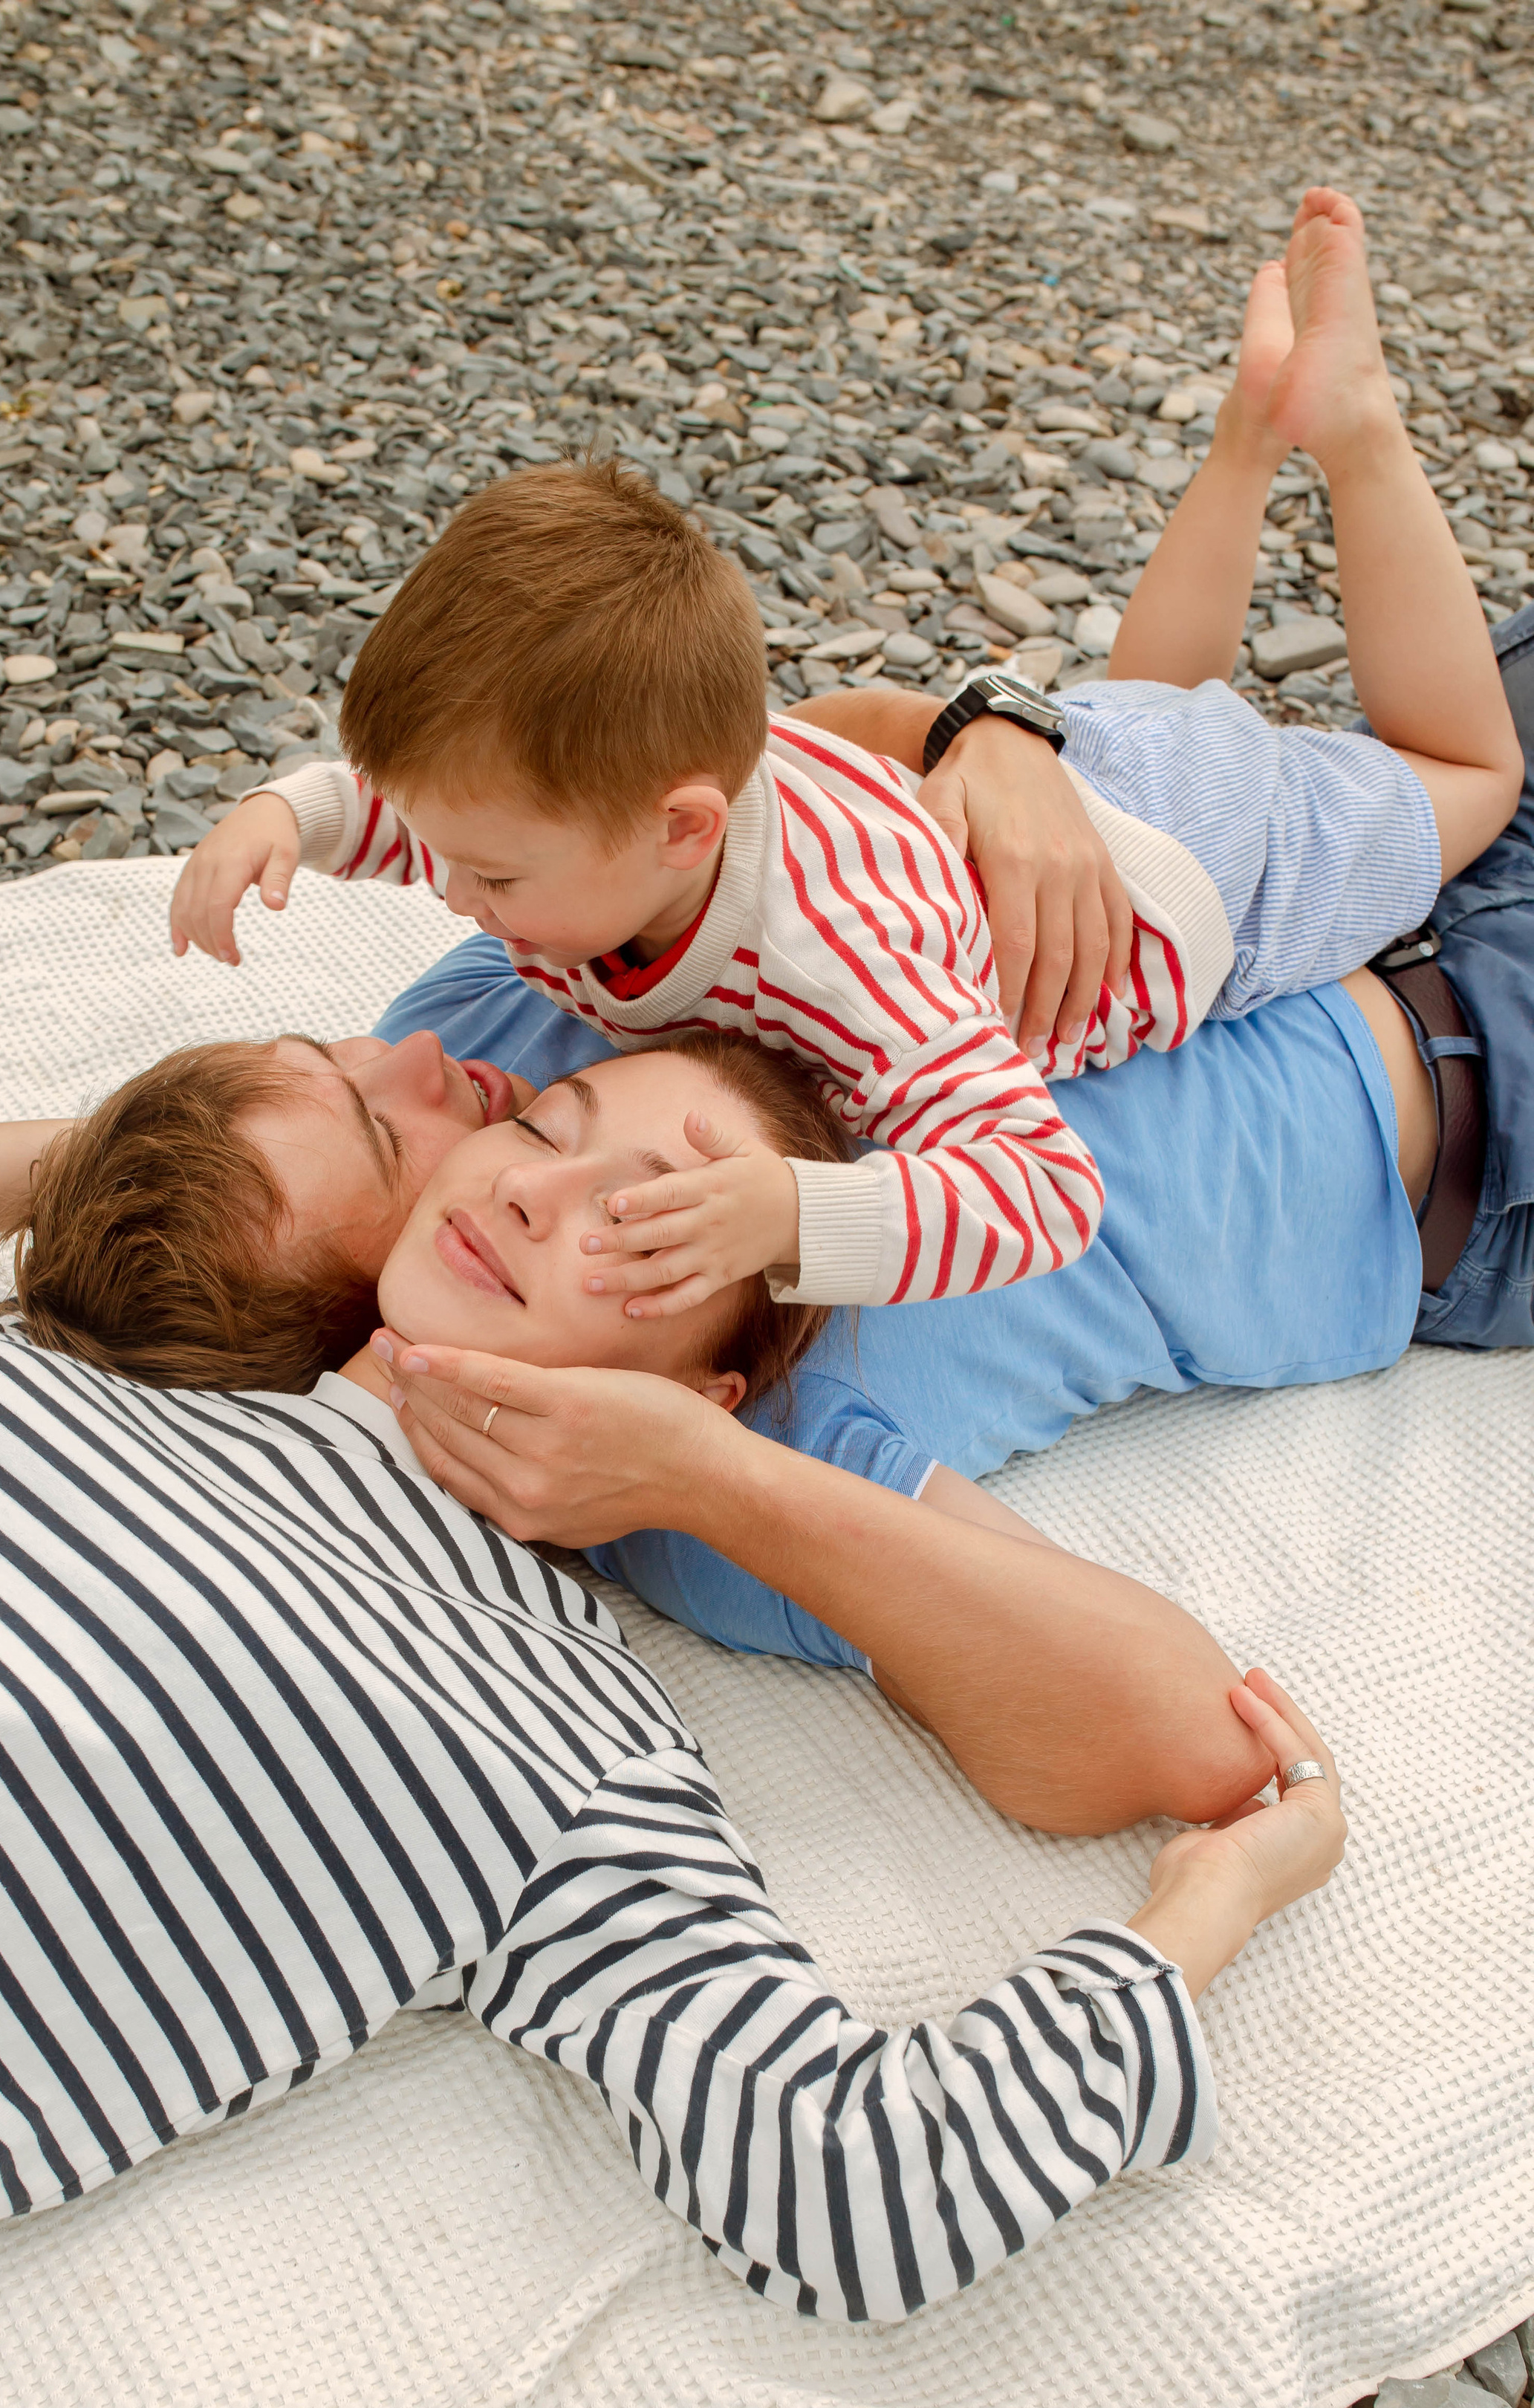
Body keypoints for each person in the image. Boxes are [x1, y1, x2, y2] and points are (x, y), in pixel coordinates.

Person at [0, 1117, 1341, 2354]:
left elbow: (847, 2182)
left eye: (650, 1222)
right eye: (532, 1126)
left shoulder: (569, 1747)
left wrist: (1200, 1914)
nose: (537, 1185)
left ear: (705, 1389)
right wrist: (143, 1137)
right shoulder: (90, 1362)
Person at [166, 189, 1519, 1334]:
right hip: (1057, 775)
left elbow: (1042, 1188)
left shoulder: (838, 957)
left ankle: (1352, 427)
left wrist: (797, 1215)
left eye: (494, 877)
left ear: (686, 831)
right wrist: (292, 813)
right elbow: (423, 817)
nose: (455, 896)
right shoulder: (616, 821)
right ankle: (1248, 429)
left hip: (1198, 869)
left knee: (1464, 772)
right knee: (1147, 701)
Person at [369, 593, 1534, 1669]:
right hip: (1493, 1115)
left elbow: (726, 776)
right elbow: (1123, 1672)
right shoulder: (713, 1481)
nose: (405, 1069)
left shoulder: (504, 978)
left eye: (326, 1064)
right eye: (376, 1133)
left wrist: (993, 731)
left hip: (1307, 857)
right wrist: (709, 1480)